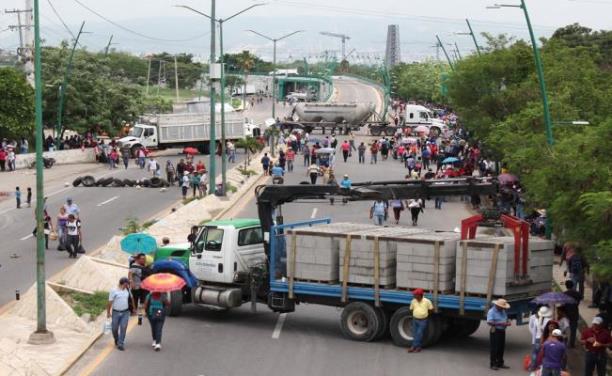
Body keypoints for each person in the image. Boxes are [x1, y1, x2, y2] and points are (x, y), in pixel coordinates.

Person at [106, 277, 134, 351]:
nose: (128, 285)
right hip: (116, 312)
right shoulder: (113, 290)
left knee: (123, 327)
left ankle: (121, 343)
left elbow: (132, 298)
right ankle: (116, 339)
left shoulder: (127, 290)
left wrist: (134, 308)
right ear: (123, 283)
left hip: (125, 312)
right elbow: (110, 302)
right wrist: (108, 312)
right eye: (127, 284)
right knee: (114, 328)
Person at [487, 298, 511, 370]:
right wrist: (500, 323)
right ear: (498, 306)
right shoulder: (491, 312)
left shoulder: (502, 311)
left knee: (501, 347)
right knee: (494, 348)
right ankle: (493, 364)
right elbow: (489, 322)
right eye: (502, 307)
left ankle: (500, 363)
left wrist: (507, 322)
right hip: (495, 330)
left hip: (502, 330)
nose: (503, 308)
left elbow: (506, 318)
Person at [408, 288, 434, 353]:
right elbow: (411, 309)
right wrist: (416, 314)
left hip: (423, 320)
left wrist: (424, 314)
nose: (414, 296)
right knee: (414, 334)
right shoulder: (413, 301)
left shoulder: (427, 301)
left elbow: (431, 310)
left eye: (415, 294)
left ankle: (413, 346)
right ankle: (418, 347)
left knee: (419, 333)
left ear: (420, 295)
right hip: (415, 319)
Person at [529, 305, 552, 370]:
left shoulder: (536, 320)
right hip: (545, 339)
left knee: (535, 353)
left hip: (537, 338)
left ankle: (532, 367)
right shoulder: (549, 321)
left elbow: (533, 330)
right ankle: (542, 367)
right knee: (544, 354)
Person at [562, 280, 581, 348]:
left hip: (566, 313)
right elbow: (579, 300)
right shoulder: (577, 293)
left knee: (565, 328)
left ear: (566, 286)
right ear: (573, 285)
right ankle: (572, 344)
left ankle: (564, 342)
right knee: (573, 329)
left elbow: (563, 304)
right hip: (574, 312)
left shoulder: (564, 294)